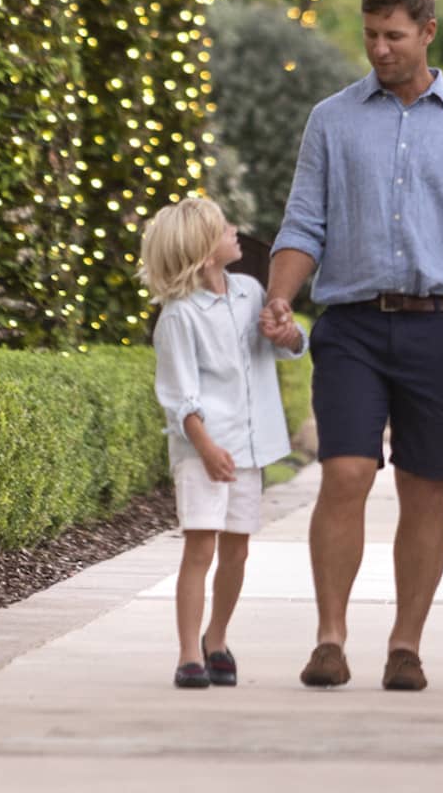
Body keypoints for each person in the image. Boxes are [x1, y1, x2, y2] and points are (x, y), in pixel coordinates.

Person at [260, 0, 443, 693]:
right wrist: (281, 296)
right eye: (370, 35)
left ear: (428, 32)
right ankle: (330, 638)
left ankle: (406, 644)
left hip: (439, 329)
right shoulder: (332, 120)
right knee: (344, 473)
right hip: (350, 326)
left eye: (394, 36)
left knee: (425, 486)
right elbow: (303, 223)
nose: (379, 49)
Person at [140, 195, 307, 690]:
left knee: (236, 551)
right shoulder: (179, 316)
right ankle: (189, 654)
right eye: (222, 227)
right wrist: (207, 448)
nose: (235, 230)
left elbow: (286, 350)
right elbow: (179, 396)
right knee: (200, 547)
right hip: (203, 451)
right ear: (203, 250)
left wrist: (289, 336)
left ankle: (218, 638)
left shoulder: (252, 292)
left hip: (248, 450)